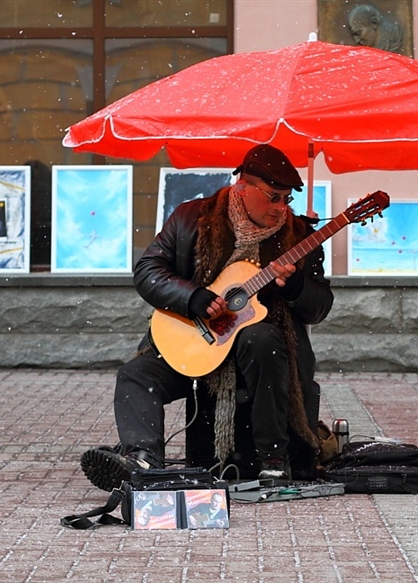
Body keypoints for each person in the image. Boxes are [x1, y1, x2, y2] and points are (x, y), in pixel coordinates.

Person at [81, 144, 334, 491]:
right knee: (135, 376)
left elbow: (319, 306)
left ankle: (273, 461)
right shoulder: (192, 219)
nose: (280, 208)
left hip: (260, 360)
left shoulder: (300, 238)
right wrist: (193, 297)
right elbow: (148, 270)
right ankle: (142, 460)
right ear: (243, 187)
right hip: (197, 341)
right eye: (273, 197)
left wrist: (295, 287)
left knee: (261, 338)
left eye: (286, 199)